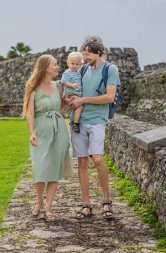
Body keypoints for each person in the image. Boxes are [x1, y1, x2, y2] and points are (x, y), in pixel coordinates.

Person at [68, 36, 120, 220]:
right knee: (82, 162)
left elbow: (108, 97)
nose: (85, 56)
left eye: (88, 53)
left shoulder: (110, 69)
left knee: (97, 159)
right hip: (79, 121)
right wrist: (71, 98)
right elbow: (75, 91)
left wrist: (83, 100)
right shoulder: (82, 70)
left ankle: (107, 202)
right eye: (84, 53)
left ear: (98, 52)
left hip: (98, 119)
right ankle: (87, 204)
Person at [22, 54, 72, 222]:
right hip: (41, 130)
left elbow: (63, 106)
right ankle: (38, 202)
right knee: (40, 167)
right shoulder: (33, 87)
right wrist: (32, 133)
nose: (57, 67)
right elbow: (29, 113)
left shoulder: (58, 87)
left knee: (54, 169)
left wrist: (67, 101)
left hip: (59, 130)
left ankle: (48, 208)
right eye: (54, 65)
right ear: (45, 67)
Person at [61, 51, 84, 133]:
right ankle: (75, 123)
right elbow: (63, 81)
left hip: (77, 93)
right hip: (70, 93)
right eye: (72, 63)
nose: (74, 66)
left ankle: (73, 120)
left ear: (80, 64)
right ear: (68, 63)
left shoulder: (78, 72)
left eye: (77, 64)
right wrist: (71, 85)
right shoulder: (67, 72)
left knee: (79, 107)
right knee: (79, 107)